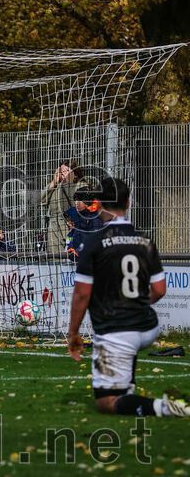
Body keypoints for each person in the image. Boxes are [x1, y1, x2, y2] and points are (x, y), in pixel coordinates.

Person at [67, 177, 188, 417]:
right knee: (127, 349)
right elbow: (160, 289)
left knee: (106, 403)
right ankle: (127, 389)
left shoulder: (94, 243)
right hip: (148, 327)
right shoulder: (145, 240)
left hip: (117, 330)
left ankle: (166, 407)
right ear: (129, 203)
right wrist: (137, 303)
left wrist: (73, 333)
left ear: (98, 204)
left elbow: (81, 294)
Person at [41, 159, 93, 255]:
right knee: (54, 258)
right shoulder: (57, 187)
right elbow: (42, 200)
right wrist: (53, 182)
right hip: (54, 229)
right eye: (61, 172)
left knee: (74, 257)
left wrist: (68, 183)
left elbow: (80, 206)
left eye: (67, 172)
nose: (63, 175)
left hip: (74, 228)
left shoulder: (82, 186)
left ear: (76, 174)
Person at [63, 186, 104, 261]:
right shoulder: (81, 216)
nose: (76, 203)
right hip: (80, 259)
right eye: (75, 200)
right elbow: (76, 235)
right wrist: (71, 248)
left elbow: (93, 242)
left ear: (87, 201)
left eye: (79, 200)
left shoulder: (97, 217)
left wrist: (77, 252)